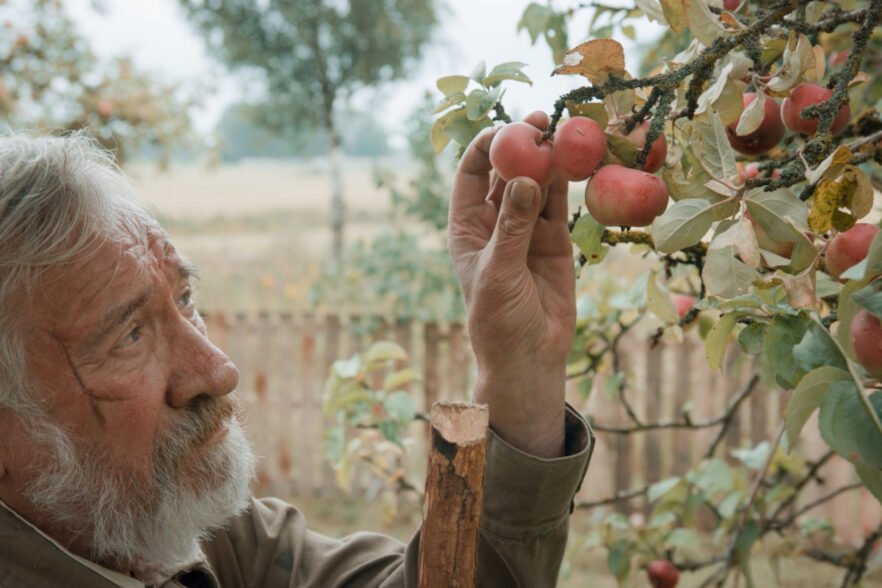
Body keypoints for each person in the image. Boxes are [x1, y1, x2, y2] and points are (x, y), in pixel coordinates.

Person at [0, 114, 593, 587]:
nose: (217, 371)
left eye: (185, 297)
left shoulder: (181, 529)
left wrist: (518, 373)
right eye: (129, 337)